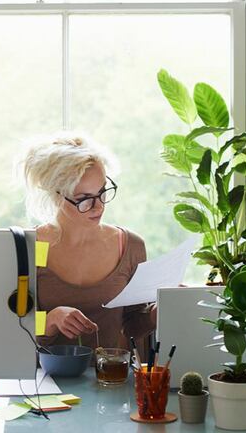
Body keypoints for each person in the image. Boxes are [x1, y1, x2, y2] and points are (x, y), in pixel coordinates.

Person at [21, 134, 156, 350]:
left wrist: (154, 315)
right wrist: (51, 320)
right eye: (84, 198)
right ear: (56, 196)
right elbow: (14, 324)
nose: (98, 206)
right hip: (44, 379)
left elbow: (132, 324)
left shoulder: (128, 246)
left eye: (102, 192)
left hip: (110, 378)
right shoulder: (33, 247)